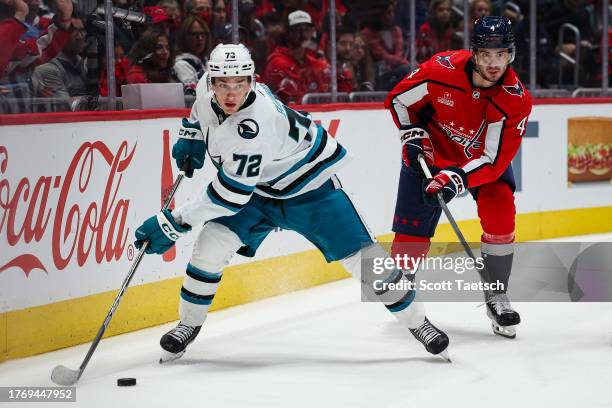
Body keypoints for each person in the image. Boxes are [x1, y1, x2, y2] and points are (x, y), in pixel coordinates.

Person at [134, 43, 450, 362]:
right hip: (258, 189)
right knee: (211, 243)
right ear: (211, 81)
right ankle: (188, 324)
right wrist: (191, 135)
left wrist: (173, 223)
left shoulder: (254, 125)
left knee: (365, 260)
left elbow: (229, 195)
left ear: (252, 81)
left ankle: (419, 323)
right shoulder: (206, 89)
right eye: (223, 85)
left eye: (240, 84)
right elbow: (199, 111)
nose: (231, 94)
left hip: (308, 188)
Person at [384, 16, 532, 339]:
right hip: (431, 154)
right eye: (487, 55)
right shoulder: (441, 70)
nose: (494, 64)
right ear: (474, 53)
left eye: (501, 55)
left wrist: (455, 178)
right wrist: (413, 136)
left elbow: (492, 160)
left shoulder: (515, 99)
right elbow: (399, 100)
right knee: (410, 240)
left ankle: (497, 293)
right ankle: (403, 301)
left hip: (479, 164)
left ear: (511, 55)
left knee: (501, 212)